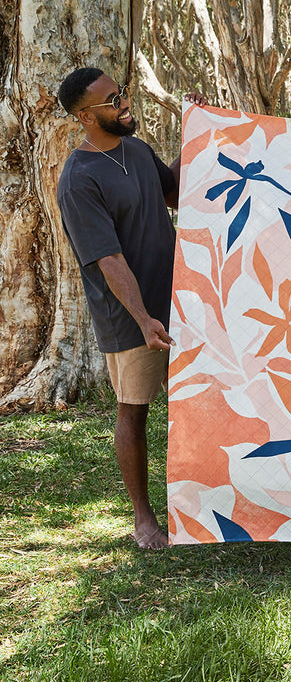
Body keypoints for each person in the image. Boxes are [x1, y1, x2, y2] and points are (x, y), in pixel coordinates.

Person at [56, 67, 206, 549]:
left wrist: (197, 128)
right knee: (134, 412)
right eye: (111, 99)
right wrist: (144, 319)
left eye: (122, 94)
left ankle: (207, 506)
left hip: (180, 299)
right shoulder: (78, 180)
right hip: (130, 316)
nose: (124, 103)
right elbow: (108, 259)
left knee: (197, 405)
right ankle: (144, 519)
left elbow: (173, 194)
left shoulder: (137, 150)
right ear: (85, 116)